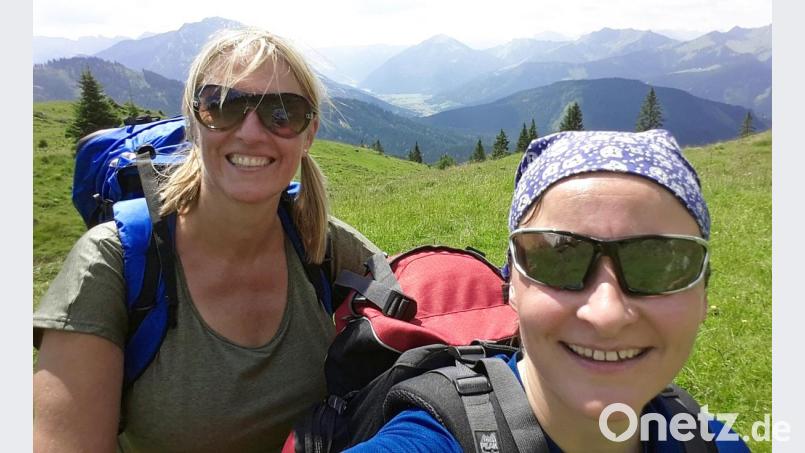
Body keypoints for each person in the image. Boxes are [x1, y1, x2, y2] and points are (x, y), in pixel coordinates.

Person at [33, 28, 381, 453]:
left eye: (282, 111)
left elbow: (431, 309)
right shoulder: (113, 265)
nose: (252, 132)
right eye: (223, 104)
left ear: (308, 134)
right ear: (194, 122)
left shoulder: (321, 243)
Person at [343, 130, 750, 452]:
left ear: (703, 295)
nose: (606, 314)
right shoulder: (434, 436)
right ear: (512, 287)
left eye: (660, 263)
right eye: (559, 258)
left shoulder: (714, 441)